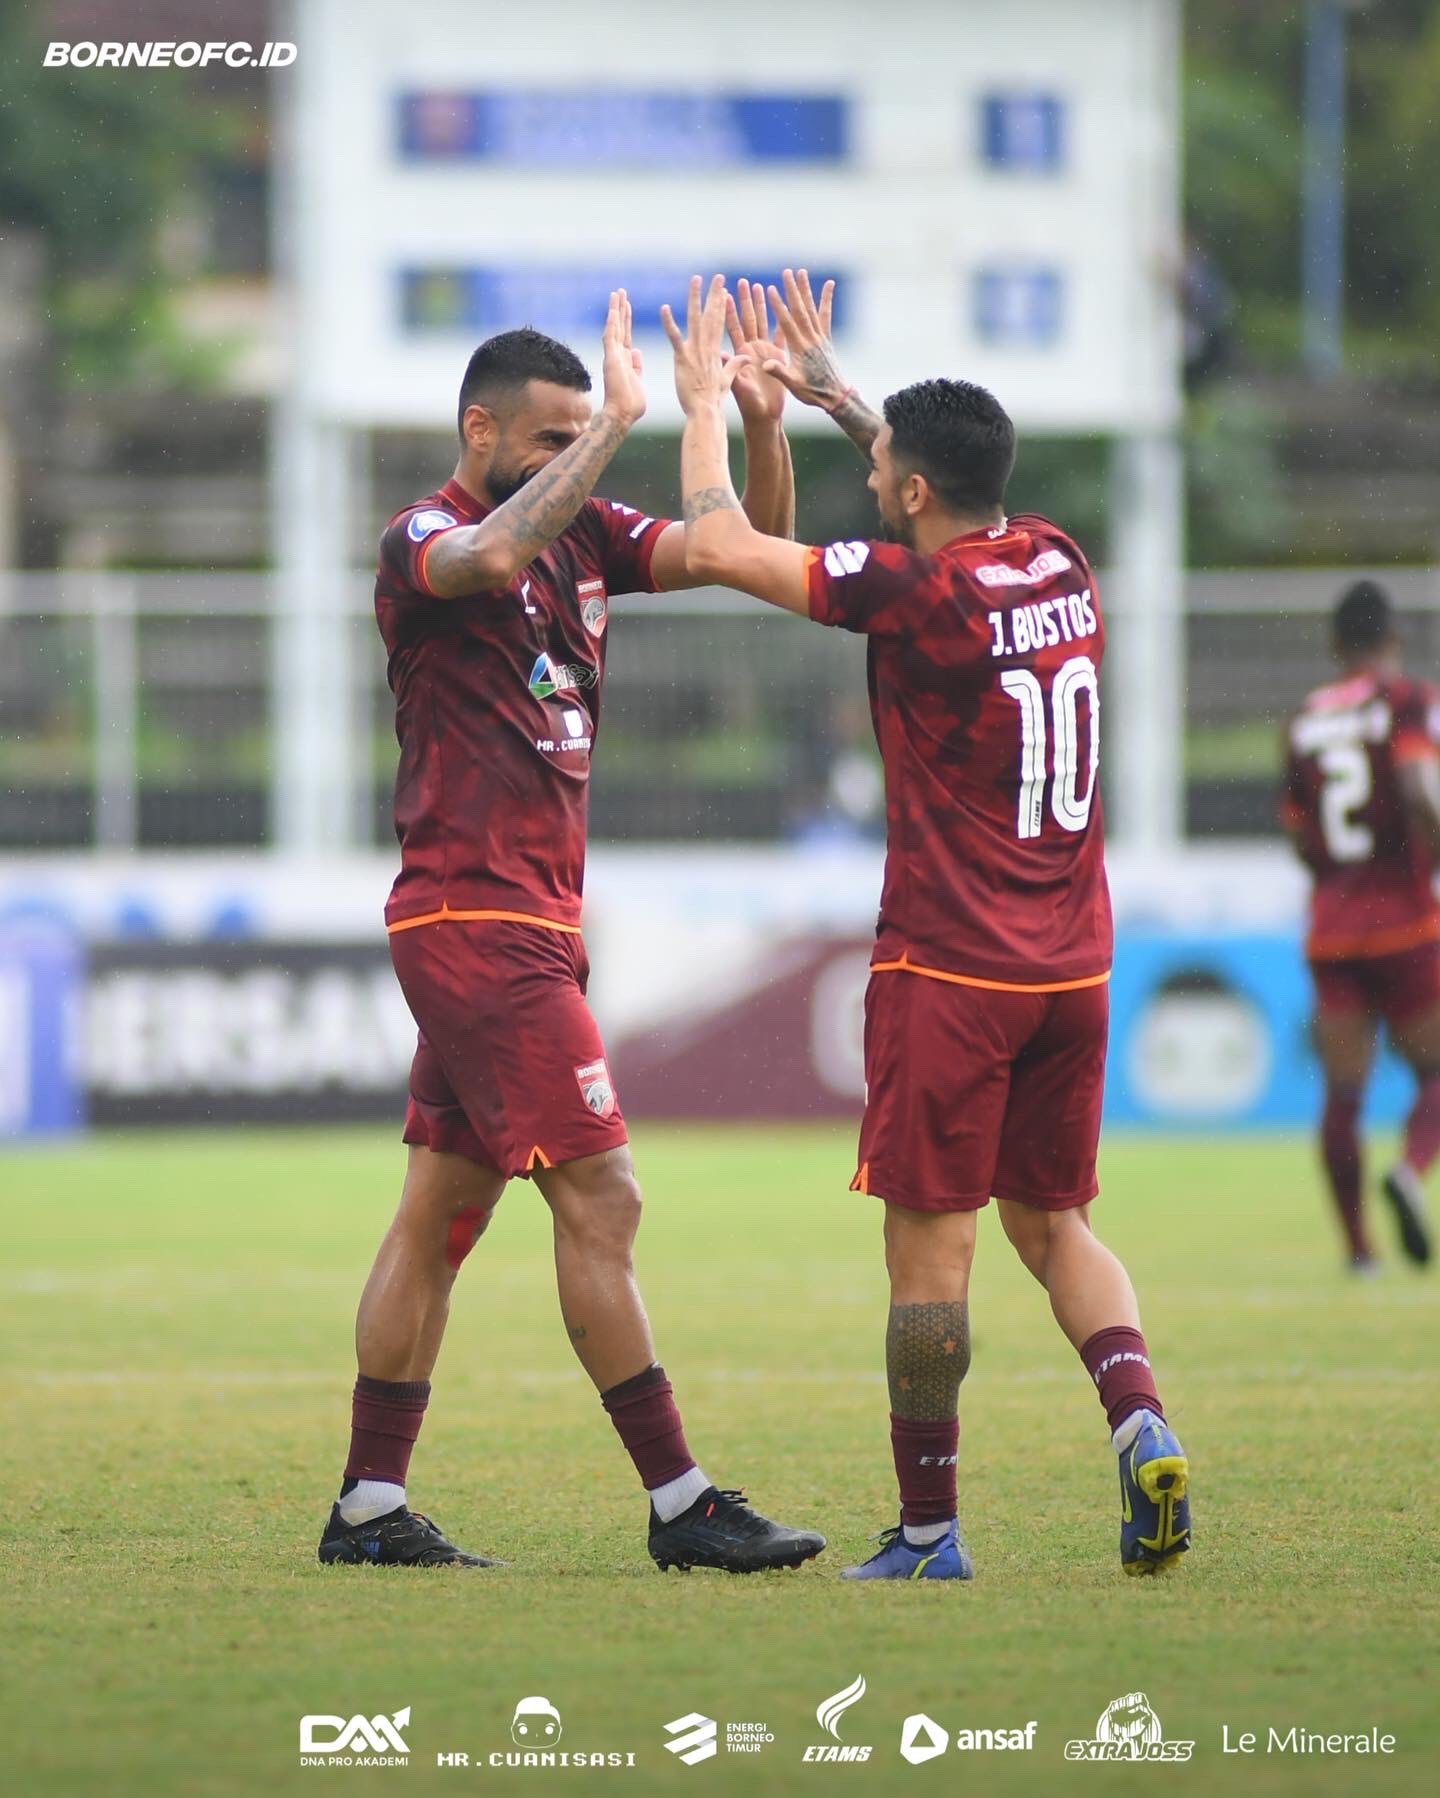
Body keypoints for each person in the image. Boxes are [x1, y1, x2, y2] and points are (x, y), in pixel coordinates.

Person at [660, 271, 1191, 1579]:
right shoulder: (1057, 558)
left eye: (881, 462)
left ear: (907, 493)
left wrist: (702, 414)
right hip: (1075, 963)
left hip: (955, 968)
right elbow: (934, 506)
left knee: (929, 1248)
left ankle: (930, 1529)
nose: (874, 473)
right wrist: (843, 400)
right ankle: (1142, 1424)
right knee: (1055, 1223)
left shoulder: (921, 599)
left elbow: (725, 548)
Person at [317, 287, 825, 1574]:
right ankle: (681, 1504)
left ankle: (369, 1508)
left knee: (439, 1211)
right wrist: (616, 427)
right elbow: (486, 559)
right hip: (477, 916)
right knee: (604, 1193)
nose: (564, 460)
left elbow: (743, 552)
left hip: (519, 917)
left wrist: (757, 425)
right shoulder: (421, 534)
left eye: (572, 440)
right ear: (478, 430)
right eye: (545, 440)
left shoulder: (587, 533)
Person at [1281, 580, 1440, 1273]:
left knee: (1343, 1093)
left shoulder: (1304, 720)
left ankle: (1357, 1250)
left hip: (1333, 926)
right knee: (1435, 1071)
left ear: (1335, 645)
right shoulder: (1405, 699)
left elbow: (1295, 832)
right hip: (1404, 917)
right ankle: (1409, 1168)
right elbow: (1414, 787)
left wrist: (1333, 880)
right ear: (1392, 637)